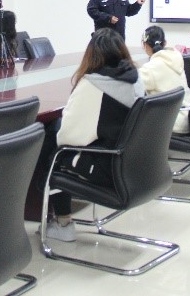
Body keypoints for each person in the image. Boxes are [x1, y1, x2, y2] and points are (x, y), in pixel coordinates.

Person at [40, 28, 146, 242]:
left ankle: (63, 223)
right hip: (133, 164)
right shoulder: (136, 78)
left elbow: (67, 137)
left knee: (51, 142)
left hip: (108, 167)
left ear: (91, 55)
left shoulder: (93, 84)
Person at [138, 25, 190, 133]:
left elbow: (131, 87)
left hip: (170, 123)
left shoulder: (150, 68)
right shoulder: (176, 59)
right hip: (187, 117)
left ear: (145, 45)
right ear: (165, 42)